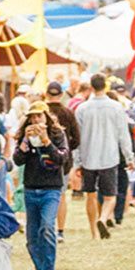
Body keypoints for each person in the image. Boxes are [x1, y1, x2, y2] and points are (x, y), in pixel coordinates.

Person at [11, 103, 68, 270]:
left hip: (51, 189)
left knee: (47, 227)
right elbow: (17, 159)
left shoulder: (58, 134)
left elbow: (61, 158)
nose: (36, 120)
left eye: (39, 116)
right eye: (32, 117)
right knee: (32, 236)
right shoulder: (26, 136)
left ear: (46, 117)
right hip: (31, 188)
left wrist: (46, 141)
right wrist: (26, 141)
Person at [74, 74, 133, 239]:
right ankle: (103, 218)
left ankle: (94, 232)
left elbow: (77, 138)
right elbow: (123, 135)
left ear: (91, 87)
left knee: (90, 195)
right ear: (105, 87)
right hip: (109, 156)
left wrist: (77, 161)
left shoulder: (82, 109)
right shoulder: (116, 107)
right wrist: (129, 157)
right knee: (110, 197)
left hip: (88, 157)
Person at [44, 82, 81, 243]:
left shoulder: (40, 112)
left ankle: (47, 228)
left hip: (41, 160)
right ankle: (60, 231)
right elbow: (77, 139)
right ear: (61, 95)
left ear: (46, 94)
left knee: (44, 195)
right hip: (63, 162)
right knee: (60, 196)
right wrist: (64, 150)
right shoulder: (68, 113)